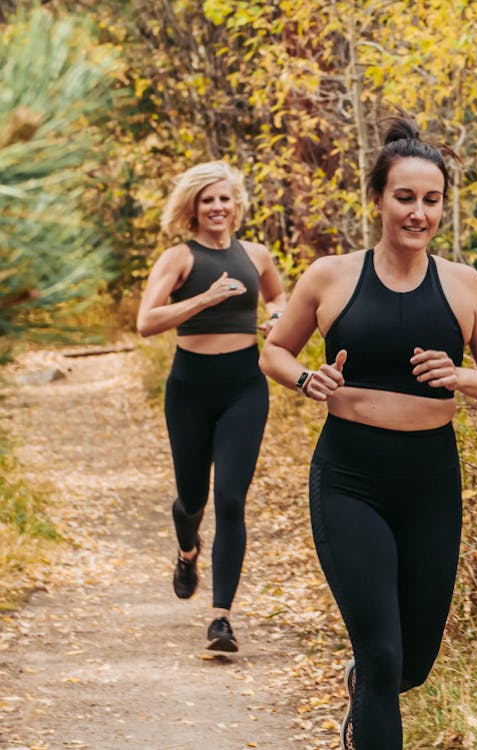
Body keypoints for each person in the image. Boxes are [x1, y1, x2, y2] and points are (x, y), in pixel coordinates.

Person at [260, 114, 477, 749]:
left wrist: (461, 375)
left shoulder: (463, 284)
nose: (418, 213)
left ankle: (366, 686)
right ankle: (367, 698)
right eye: (405, 197)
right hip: (350, 478)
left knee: (412, 662)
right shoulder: (331, 276)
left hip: (431, 481)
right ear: (376, 199)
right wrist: (305, 381)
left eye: (431, 201)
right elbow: (274, 352)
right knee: (380, 653)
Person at [136, 161, 286, 652]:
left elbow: (278, 297)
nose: (217, 208)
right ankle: (186, 550)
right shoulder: (179, 258)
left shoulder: (257, 255)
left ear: (236, 204)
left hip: (245, 386)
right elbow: (147, 322)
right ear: (193, 209)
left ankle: (221, 618)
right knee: (191, 498)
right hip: (190, 390)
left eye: (224, 199)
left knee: (231, 500)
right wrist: (204, 299)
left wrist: (275, 321)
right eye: (208, 200)